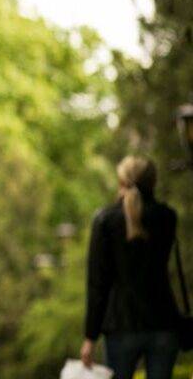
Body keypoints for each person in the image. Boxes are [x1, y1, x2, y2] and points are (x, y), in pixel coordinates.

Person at [81, 155, 181, 379]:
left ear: (121, 182)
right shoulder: (167, 217)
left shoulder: (105, 220)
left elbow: (98, 283)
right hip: (163, 320)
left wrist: (90, 336)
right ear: (153, 182)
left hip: (120, 325)